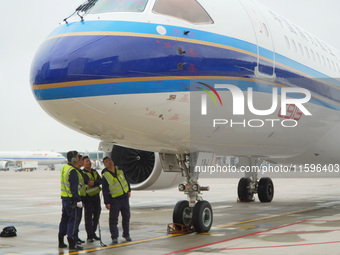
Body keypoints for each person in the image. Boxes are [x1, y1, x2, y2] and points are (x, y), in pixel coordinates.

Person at [58, 151, 86, 251]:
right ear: (74, 159)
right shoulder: (73, 171)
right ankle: (72, 243)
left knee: (64, 220)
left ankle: (61, 241)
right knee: (72, 221)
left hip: (64, 198)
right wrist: (78, 200)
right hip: (71, 200)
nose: (79, 159)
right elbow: (74, 189)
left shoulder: (65, 168)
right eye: (78, 157)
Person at [102, 156, 132, 244]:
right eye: (107, 161)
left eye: (110, 160)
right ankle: (114, 237)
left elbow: (127, 180)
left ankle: (126, 234)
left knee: (126, 217)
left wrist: (129, 190)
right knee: (113, 219)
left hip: (124, 198)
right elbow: (105, 190)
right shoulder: (105, 176)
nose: (109, 162)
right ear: (105, 165)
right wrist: (107, 202)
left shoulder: (120, 171)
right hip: (114, 200)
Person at [82, 156, 102, 242]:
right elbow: (87, 182)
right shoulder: (82, 173)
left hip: (96, 197)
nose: (89, 163)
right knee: (88, 217)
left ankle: (93, 232)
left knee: (97, 215)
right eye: (86, 161)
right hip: (88, 197)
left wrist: (95, 182)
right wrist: (95, 182)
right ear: (83, 163)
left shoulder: (94, 171)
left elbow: (101, 180)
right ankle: (89, 235)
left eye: (89, 161)